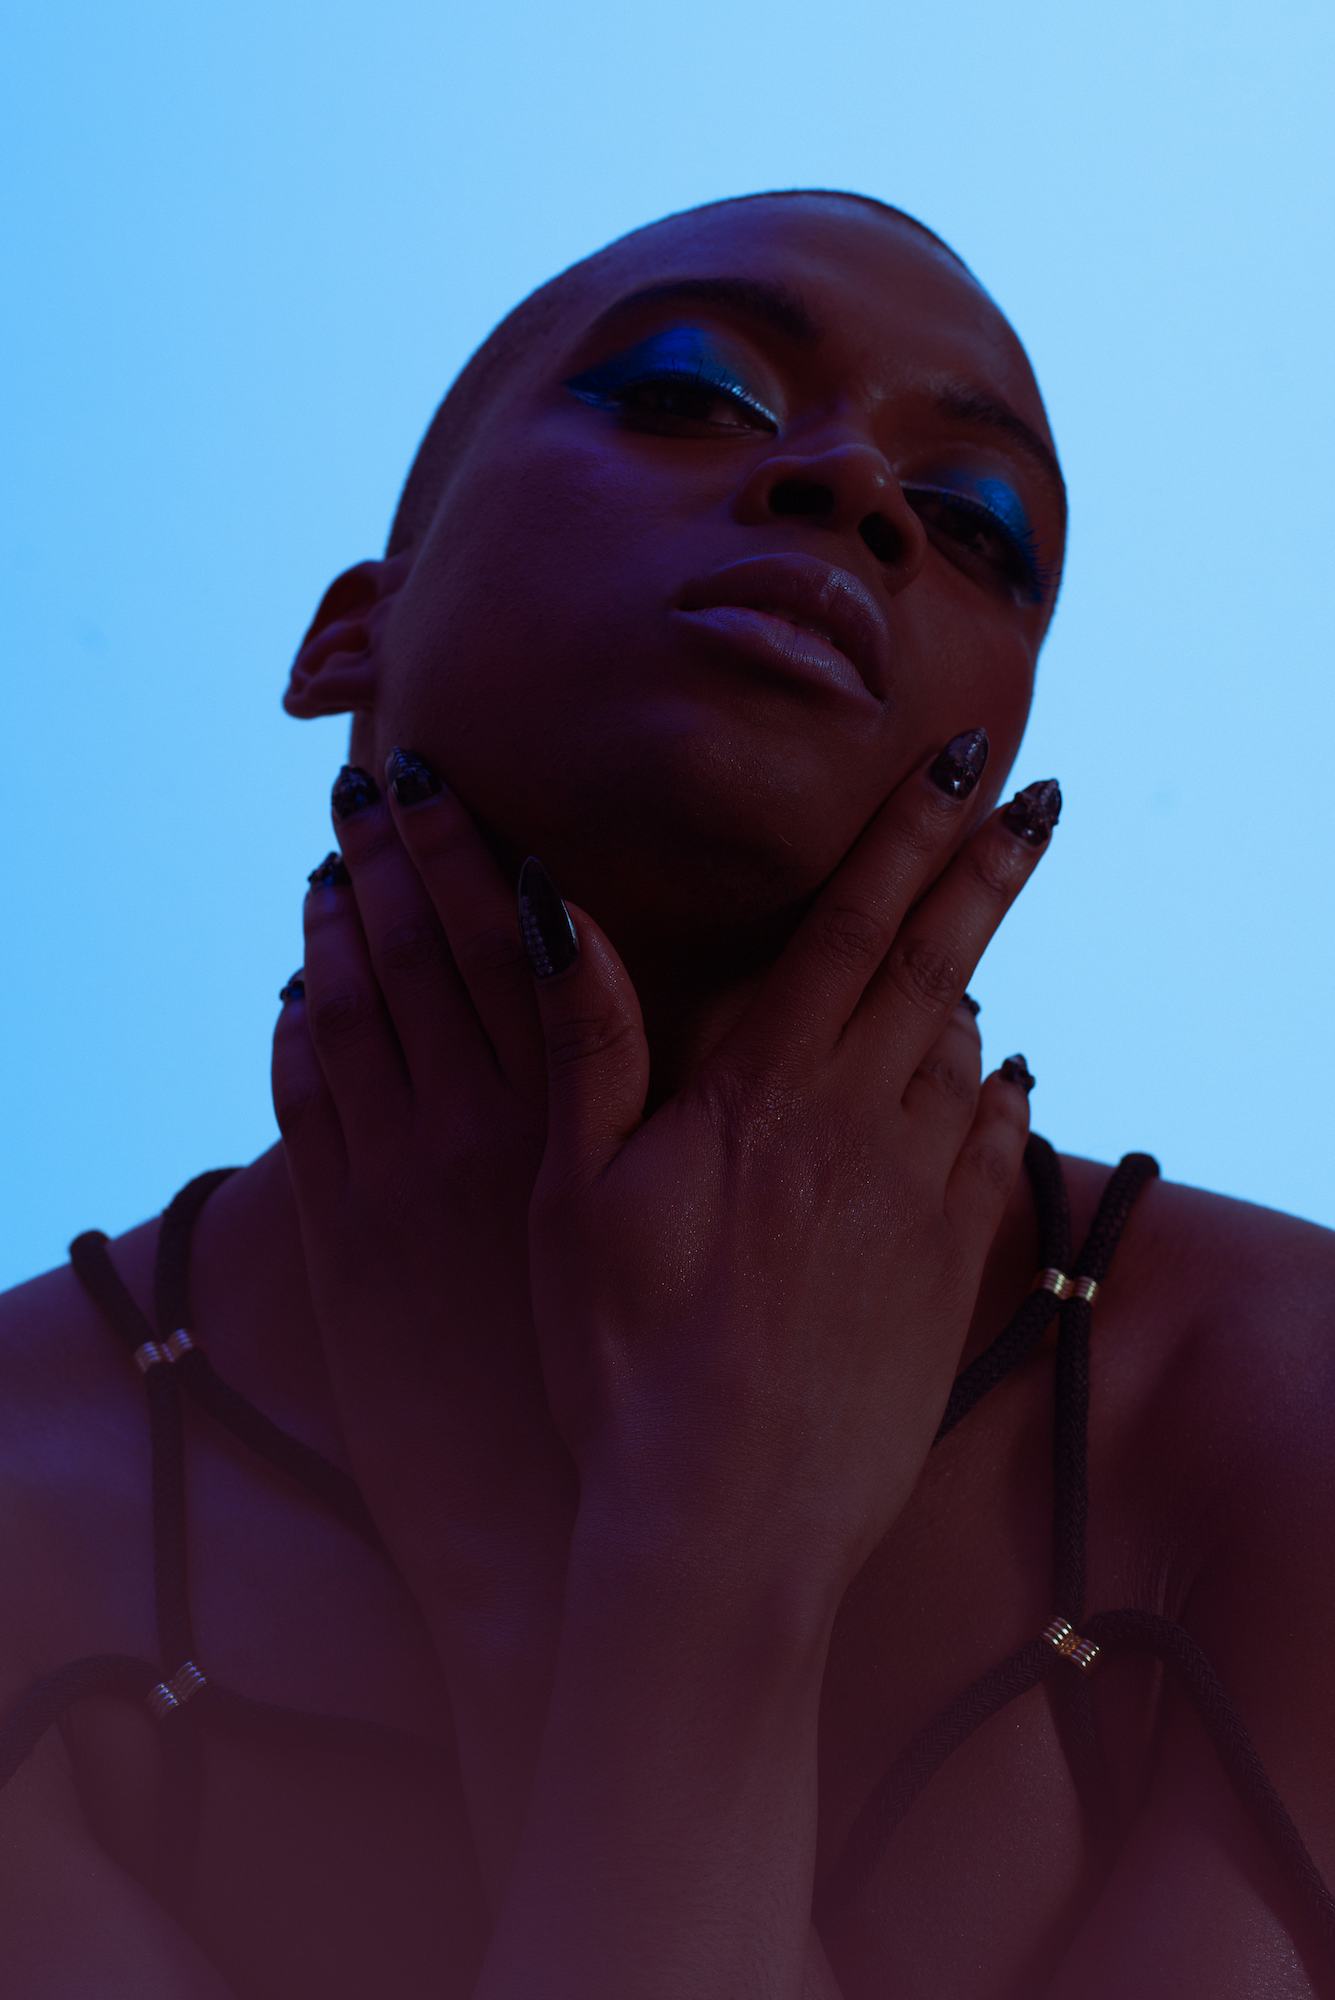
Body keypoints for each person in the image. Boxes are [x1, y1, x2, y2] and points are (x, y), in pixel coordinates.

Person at [1, 186, 1331, 2000]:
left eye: (975, 525)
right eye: (695, 391)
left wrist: (616, 1557)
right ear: (347, 636)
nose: (854, 488)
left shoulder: (1281, 1412)